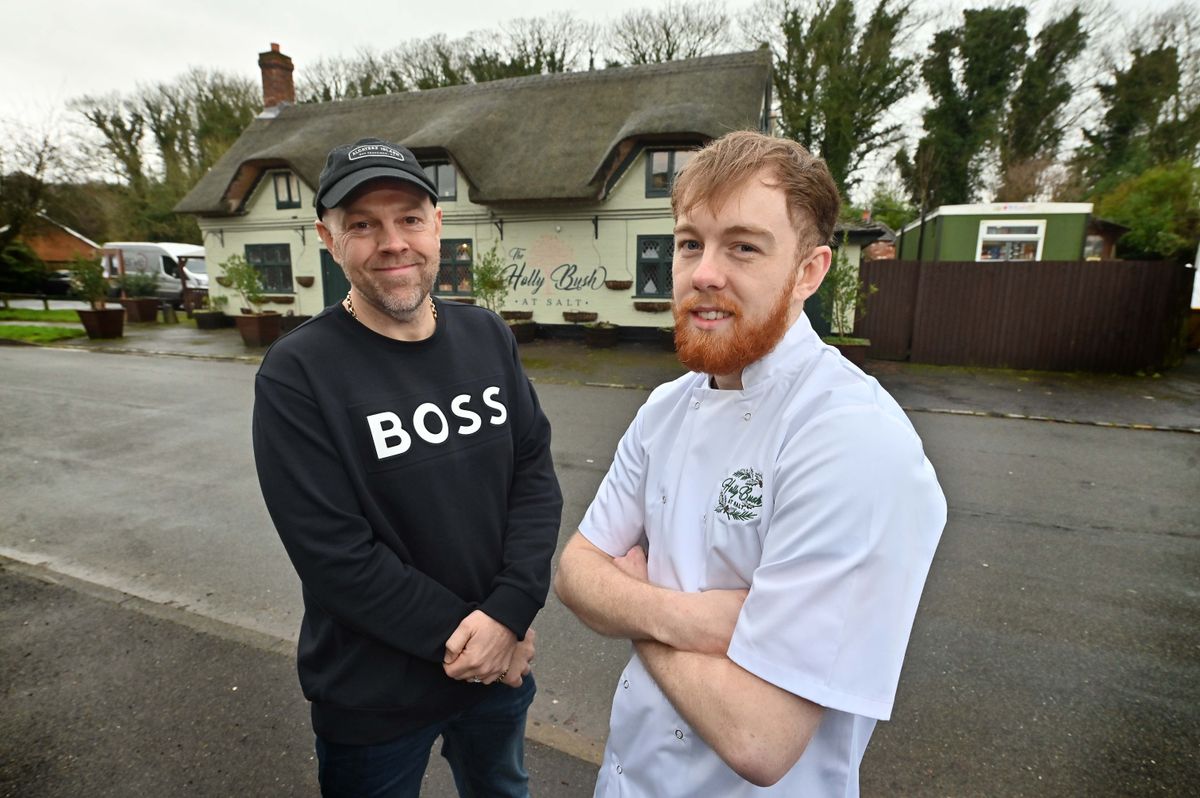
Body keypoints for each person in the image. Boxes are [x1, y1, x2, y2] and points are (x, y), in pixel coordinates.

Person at [554, 131, 947, 796]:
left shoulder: (854, 440)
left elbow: (758, 738)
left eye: (742, 246)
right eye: (689, 243)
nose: (705, 271)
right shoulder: (665, 408)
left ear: (809, 271)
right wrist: (695, 620)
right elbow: (573, 573)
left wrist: (634, 609)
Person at [252, 137, 563, 797]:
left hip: (497, 671)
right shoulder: (298, 373)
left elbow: (532, 476)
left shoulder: (487, 336)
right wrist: (479, 639)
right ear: (329, 239)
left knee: (503, 789)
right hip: (374, 695)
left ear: (438, 226)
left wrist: (509, 611)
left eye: (409, 218)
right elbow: (333, 552)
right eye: (362, 224)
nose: (392, 241)